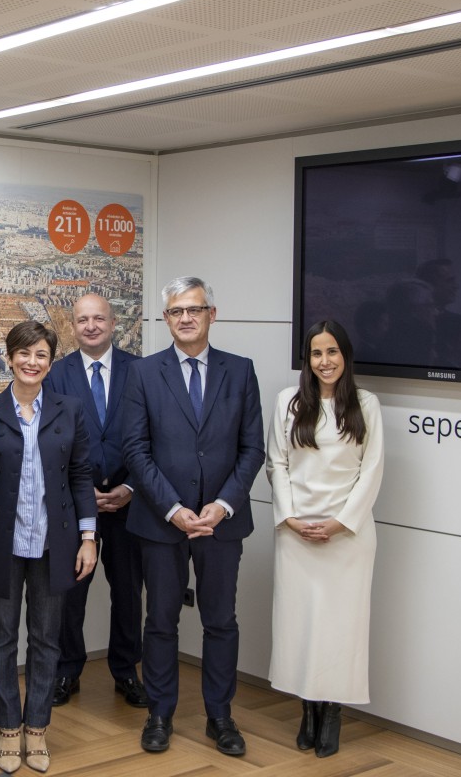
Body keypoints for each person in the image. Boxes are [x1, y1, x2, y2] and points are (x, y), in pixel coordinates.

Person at [121, 276, 264, 758]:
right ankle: (159, 714)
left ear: (212, 314)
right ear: (166, 319)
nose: (185, 318)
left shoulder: (240, 372)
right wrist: (175, 509)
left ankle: (219, 717)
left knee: (220, 622)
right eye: (176, 311)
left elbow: (252, 449)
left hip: (221, 524)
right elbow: (136, 451)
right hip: (162, 523)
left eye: (194, 309)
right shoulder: (143, 373)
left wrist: (221, 506)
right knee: (160, 621)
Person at [0, 321, 99, 774]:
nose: (31, 362)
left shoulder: (70, 409)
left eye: (40, 354)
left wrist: (88, 537)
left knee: (45, 639)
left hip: (54, 544)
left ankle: (36, 729)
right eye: (23, 353)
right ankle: (7, 729)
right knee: (0, 639)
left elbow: (80, 476)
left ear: (50, 361)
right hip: (2, 544)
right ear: (9, 356)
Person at [266, 320, 384, 759]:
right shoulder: (289, 402)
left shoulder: (366, 404)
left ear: (345, 356)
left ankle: (331, 711)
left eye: (332, 352)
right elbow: (276, 463)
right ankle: (307, 709)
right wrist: (291, 518)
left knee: (339, 630)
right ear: (307, 360)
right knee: (301, 626)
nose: (325, 361)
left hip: (347, 538)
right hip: (296, 534)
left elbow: (372, 471)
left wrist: (340, 523)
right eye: (316, 354)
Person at [44, 293, 147, 709]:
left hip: (129, 500)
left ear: (113, 322)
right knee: (70, 594)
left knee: (127, 592)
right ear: (73, 325)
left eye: (98, 318)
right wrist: (84, 492)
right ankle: (68, 669)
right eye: (82, 319)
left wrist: (132, 488)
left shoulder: (141, 371)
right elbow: (50, 442)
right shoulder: (56, 375)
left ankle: (126, 671)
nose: (90, 326)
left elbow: (153, 436)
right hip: (74, 502)